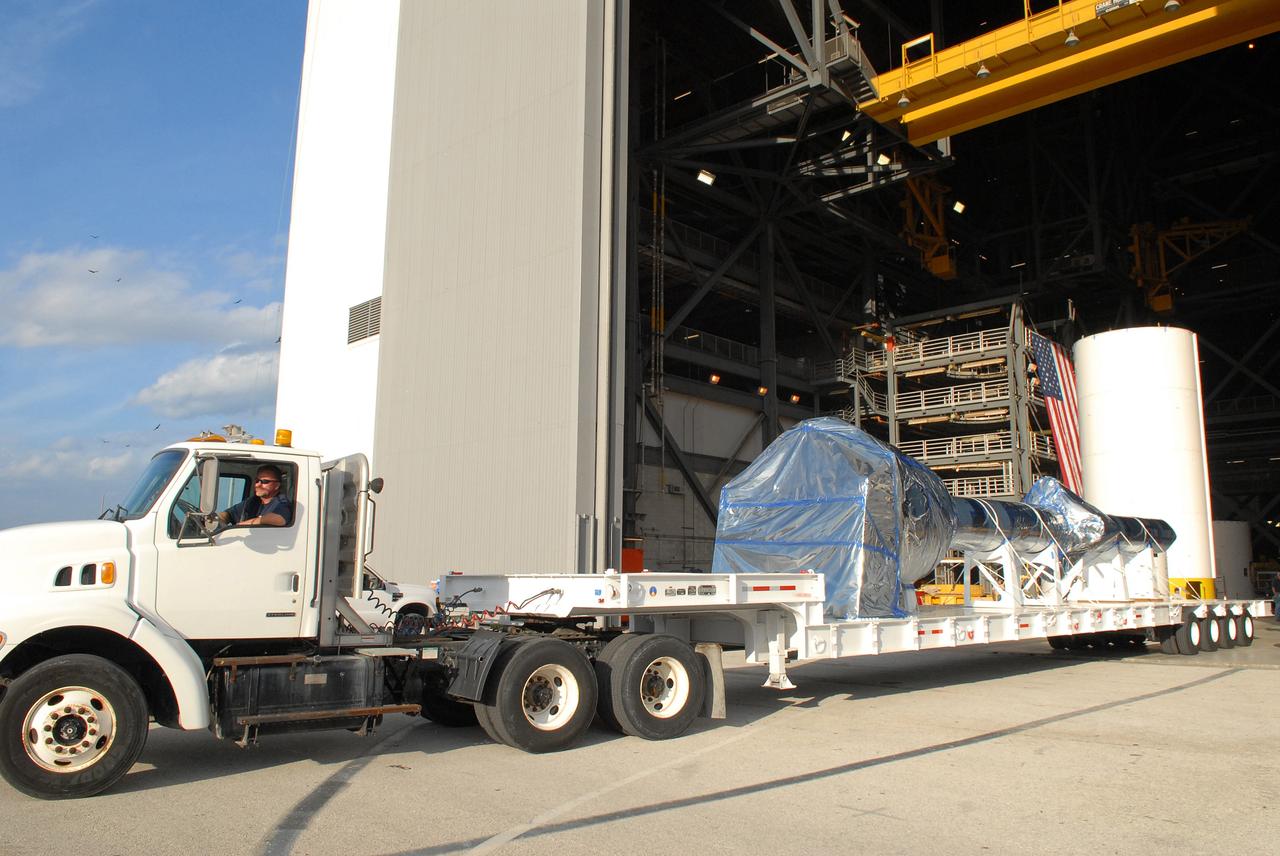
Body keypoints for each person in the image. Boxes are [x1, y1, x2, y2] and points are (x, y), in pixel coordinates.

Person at [214, 465, 292, 527]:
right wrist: (217, 519)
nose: (258, 485)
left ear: (277, 485)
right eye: (257, 481)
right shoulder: (252, 501)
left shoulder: (281, 502)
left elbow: (281, 518)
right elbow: (229, 514)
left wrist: (242, 526)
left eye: (264, 481)